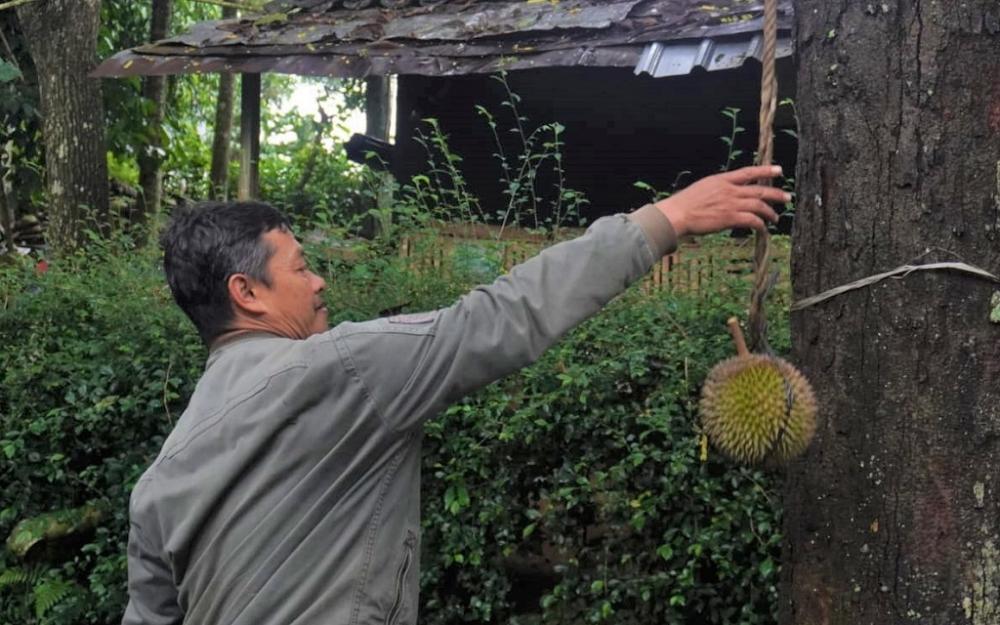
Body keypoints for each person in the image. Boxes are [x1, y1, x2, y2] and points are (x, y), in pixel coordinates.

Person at [122, 165, 787, 625]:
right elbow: (502, 317)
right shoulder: (344, 370)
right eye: (300, 267)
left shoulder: (158, 482)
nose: (320, 281)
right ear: (248, 293)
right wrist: (667, 217)